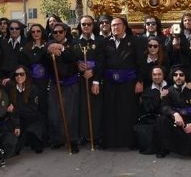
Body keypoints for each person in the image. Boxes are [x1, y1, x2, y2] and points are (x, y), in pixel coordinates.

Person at [101, 17, 144, 149]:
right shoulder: (105, 43)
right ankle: (111, 142)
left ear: (124, 26)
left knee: (127, 112)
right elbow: (101, 63)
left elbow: (141, 63)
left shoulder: (135, 41)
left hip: (129, 83)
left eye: (118, 25)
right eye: (113, 25)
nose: (115, 27)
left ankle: (128, 142)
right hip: (110, 84)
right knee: (110, 112)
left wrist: (140, 81)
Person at [155, 65, 191, 160]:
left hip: (189, 121)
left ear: (185, 76)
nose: (178, 77)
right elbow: (164, 107)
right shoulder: (168, 91)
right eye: (175, 75)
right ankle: (164, 149)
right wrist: (175, 114)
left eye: (181, 75)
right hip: (175, 121)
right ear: (172, 77)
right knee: (161, 120)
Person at [46, 23, 80, 152]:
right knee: (54, 113)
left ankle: (73, 140)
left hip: (70, 83)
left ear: (65, 32)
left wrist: (61, 48)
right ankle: (58, 139)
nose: (58, 34)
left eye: (60, 32)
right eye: (55, 32)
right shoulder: (49, 44)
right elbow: (44, 53)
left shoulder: (73, 43)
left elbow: (73, 57)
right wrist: (49, 49)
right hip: (55, 83)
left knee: (71, 114)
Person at [73, 15, 104, 148]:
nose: (86, 26)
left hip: (94, 80)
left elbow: (103, 61)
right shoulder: (74, 42)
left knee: (95, 108)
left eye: (89, 24)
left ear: (93, 25)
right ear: (80, 26)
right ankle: (83, 135)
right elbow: (71, 59)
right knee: (81, 107)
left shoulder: (100, 41)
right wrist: (77, 66)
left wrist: (95, 75)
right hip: (79, 80)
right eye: (83, 24)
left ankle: (95, 135)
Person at [8, 66, 45, 154]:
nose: (19, 76)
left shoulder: (33, 88)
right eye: (16, 74)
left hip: (32, 118)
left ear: (26, 75)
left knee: (37, 145)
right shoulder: (11, 89)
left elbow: (33, 109)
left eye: (22, 74)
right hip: (18, 119)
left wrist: (15, 109)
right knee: (14, 150)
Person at [134, 66, 168, 155]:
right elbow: (148, 109)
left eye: (159, 74)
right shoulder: (147, 91)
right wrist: (159, 98)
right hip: (155, 118)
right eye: (154, 75)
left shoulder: (171, 87)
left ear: (163, 75)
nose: (157, 77)